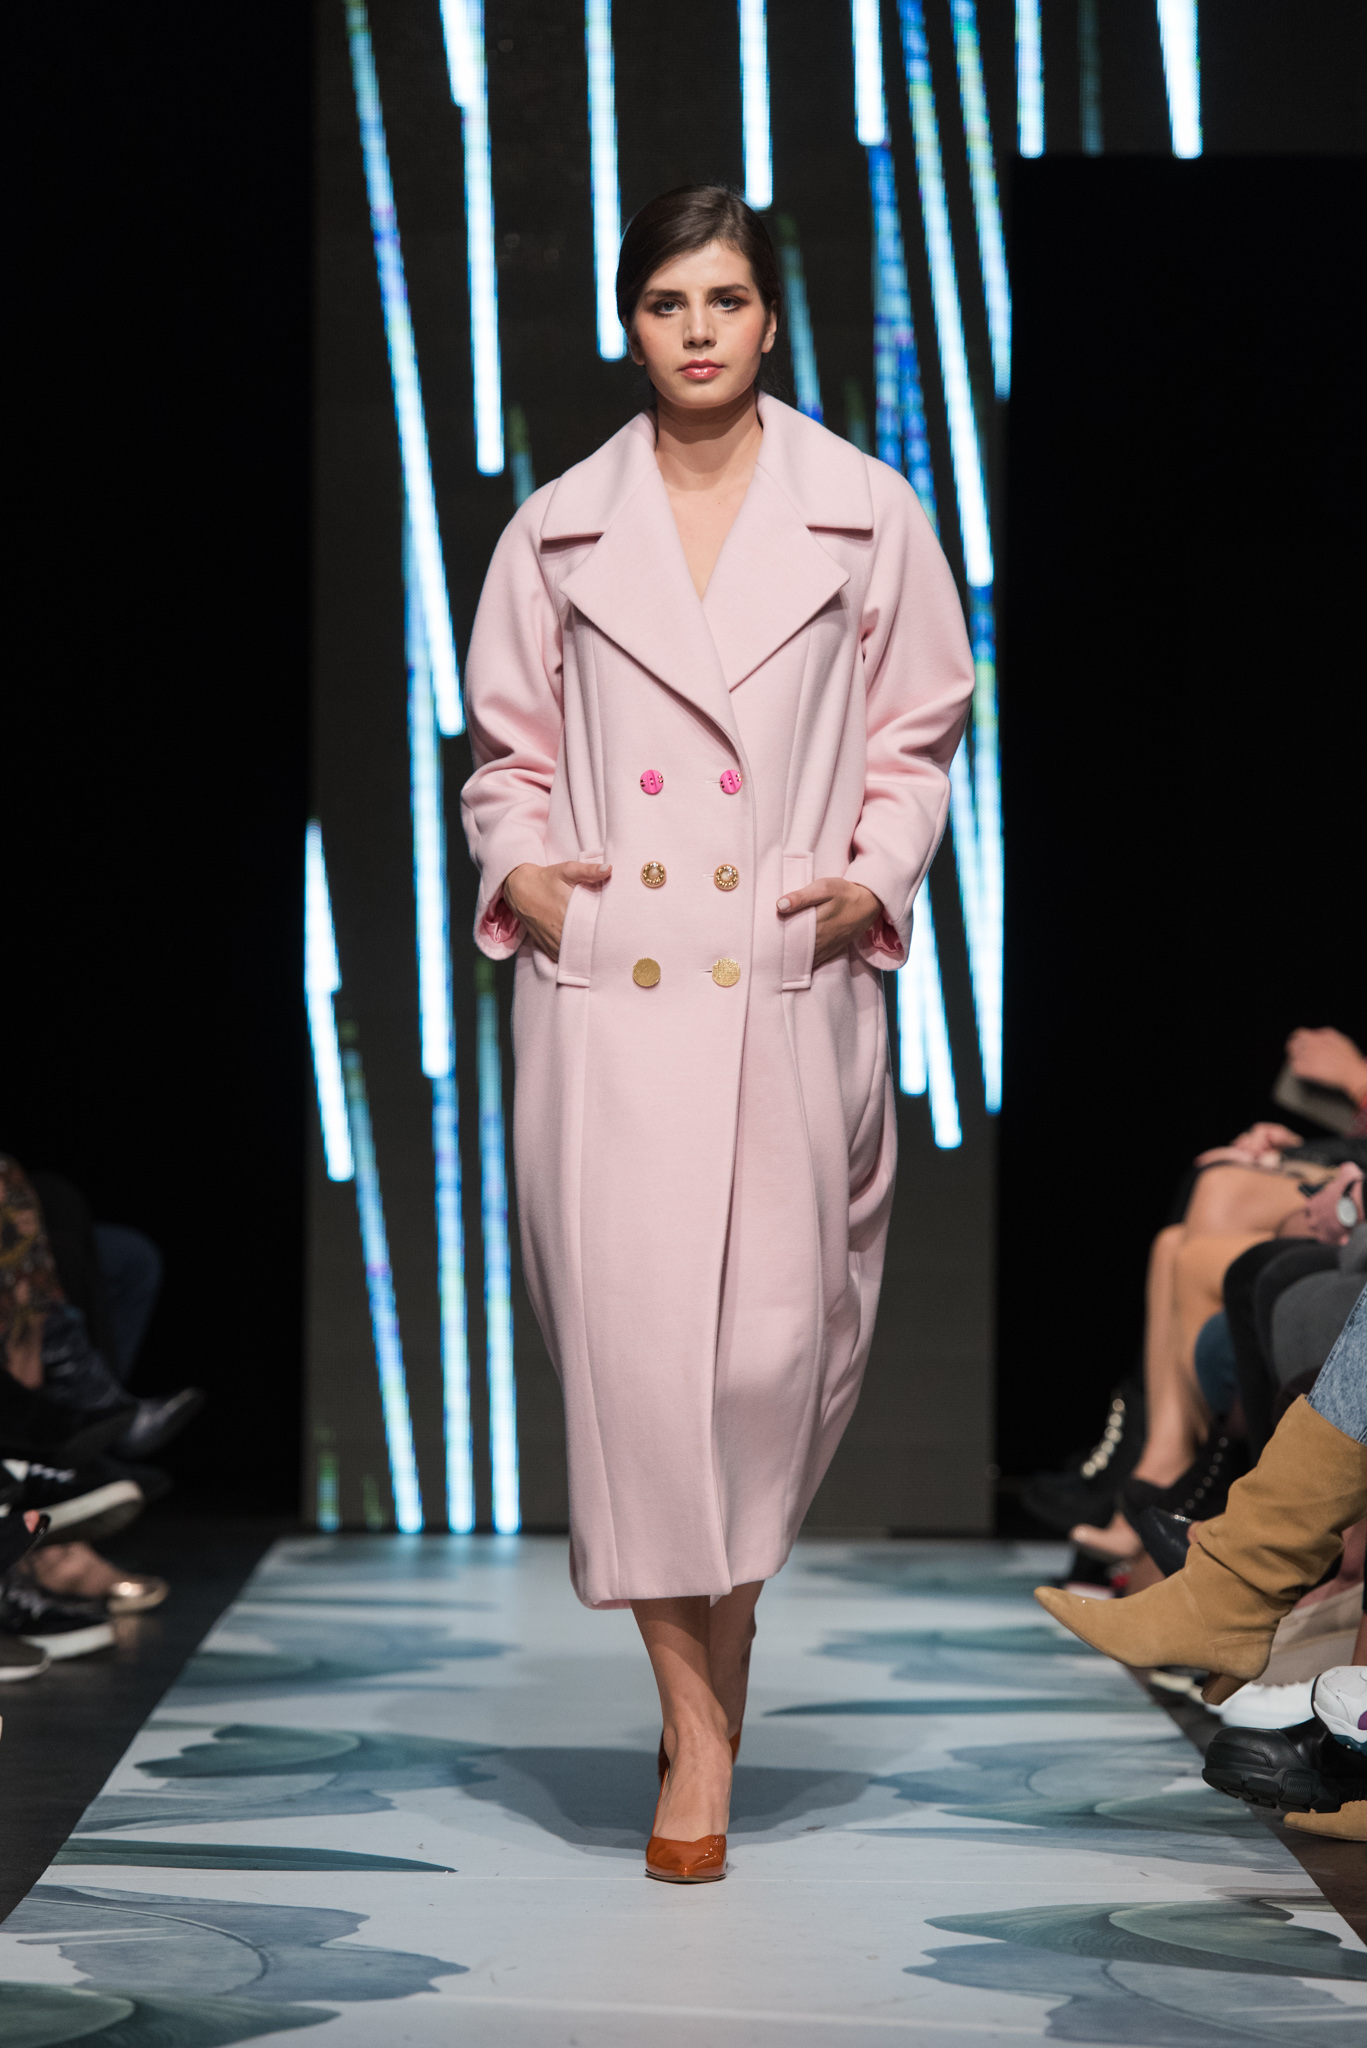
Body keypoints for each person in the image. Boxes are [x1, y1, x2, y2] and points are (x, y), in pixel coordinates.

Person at [461, 185, 973, 1882]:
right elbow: (506, 756)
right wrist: (530, 879)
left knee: (766, 1368)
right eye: (668, 300)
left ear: (770, 317)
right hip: (613, 999)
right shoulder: (555, 530)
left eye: (727, 298)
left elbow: (919, 734)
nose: (698, 328)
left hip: (782, 982)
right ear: (631, 326)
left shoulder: (864, 513)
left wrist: (867, 880)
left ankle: (721, 1652)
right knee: (633, 1381)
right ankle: (695, 1727)